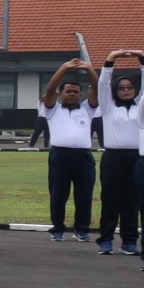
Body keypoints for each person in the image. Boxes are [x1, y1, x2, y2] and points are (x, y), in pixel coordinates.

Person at [38, 59, 97, 240]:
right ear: (60, 94)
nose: (72, 94)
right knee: (58, 194)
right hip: (59, 155)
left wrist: (89, 69)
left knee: (84, 195)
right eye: (68, 91)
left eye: (76, 92)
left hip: (83, 156)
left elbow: (97, 88)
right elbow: (49, 90)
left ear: (81, 95)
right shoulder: (52, 109)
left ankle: (82, 230)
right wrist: (63, 67)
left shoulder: (88, 109)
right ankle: (57, 230)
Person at [99, 52, 144, 256]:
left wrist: (143, 58)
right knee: (110, 199)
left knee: (131, 201)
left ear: (136, 89)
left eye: (129, 87)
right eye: (121, 88)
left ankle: (129, 241)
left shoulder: (142, 108)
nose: (125, 91)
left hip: (136, 158)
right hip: (113, 158)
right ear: (115, 91)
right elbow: (103, 82)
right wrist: (111, 59)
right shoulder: (108, 107)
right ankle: (106, 239)